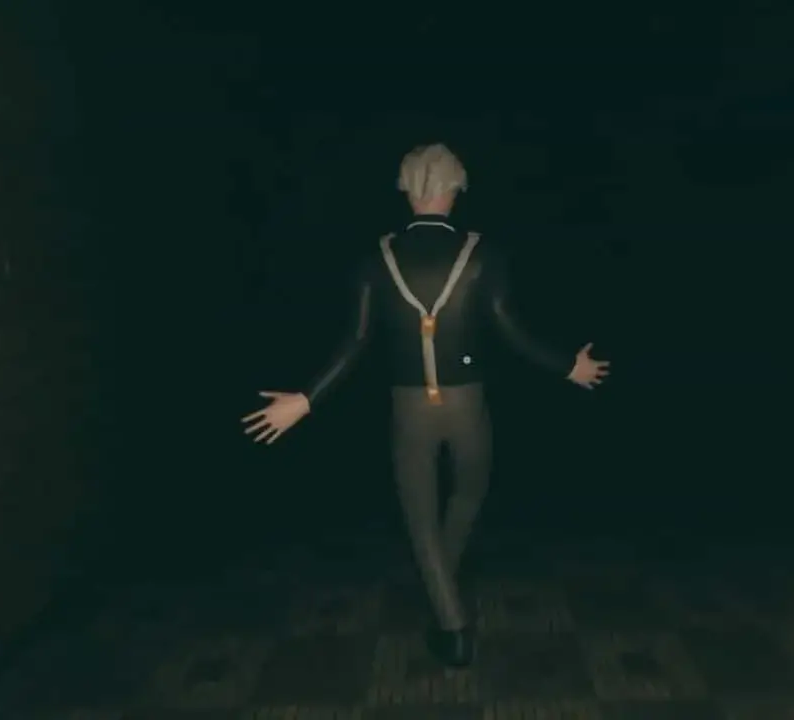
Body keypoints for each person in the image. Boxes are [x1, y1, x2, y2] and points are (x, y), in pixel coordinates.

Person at [240, 143, 610, 667]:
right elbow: (512, 332)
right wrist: (569, 367)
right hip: (468, 405)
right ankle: (451, 623)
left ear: (406, 189)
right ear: (456, 189)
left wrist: (306, 399)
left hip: (409, 409)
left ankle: (442, 595)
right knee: (469, 493)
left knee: (420, 517)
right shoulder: (483, 254)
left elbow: (354, 343)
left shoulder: (376, 260)